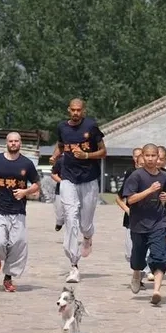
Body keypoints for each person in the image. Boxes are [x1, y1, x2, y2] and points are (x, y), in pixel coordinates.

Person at [50, 98, 107, 283]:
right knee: (70, 217)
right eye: (73, 110)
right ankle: (74, 265)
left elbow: (103, 152)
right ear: (69, 110)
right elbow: (60, 146)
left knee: (85, 224)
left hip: (88, 179)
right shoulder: (62, 127)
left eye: (79, 110)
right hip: (68, 178)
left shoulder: (91, 126)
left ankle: (88, 236)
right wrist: (54, 156)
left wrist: (86, 155)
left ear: (84, 111)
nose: (75, 113)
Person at [0, 132, 41, 292]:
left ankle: (8, 278)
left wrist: (25, 192)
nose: (13, 143)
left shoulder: (27, 163)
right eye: (11, 141)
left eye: (16, 141)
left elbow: (37, 184)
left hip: (18, 211)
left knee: (18, 244)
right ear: (6, 143)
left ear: (20, 143)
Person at [122, 143, 166, 305]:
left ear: (158, 157)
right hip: (139, 223)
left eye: (153, 155)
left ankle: (157, 290)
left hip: (159, 221)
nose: (150, 159)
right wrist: (149, 191)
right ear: (142, 157)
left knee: (159, 256)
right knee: (138, 256)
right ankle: (136, 273)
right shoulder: (136, 176)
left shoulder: (164, 176)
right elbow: (130, 199)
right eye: (147, 155)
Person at [116, 148, 149, 288]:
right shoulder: (131, 178)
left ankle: (140, 275)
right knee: (130, 252)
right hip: (132, 220)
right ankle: (137, 272)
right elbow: (119, 198)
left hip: (150, 221)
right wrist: (128, 210)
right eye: (140, 165)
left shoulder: (156, 177)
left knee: (146, 251)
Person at [50, 144, 65, 232]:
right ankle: (59, 222)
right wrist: (63, 183)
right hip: (60, 190)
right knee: (59, 213)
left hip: (74, 191)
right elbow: (53, 174)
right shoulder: (61, 161)